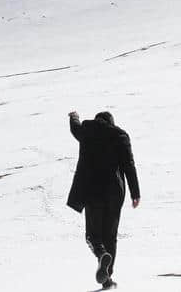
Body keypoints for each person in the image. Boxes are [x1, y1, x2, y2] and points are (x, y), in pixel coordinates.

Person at [67, 110, 140, 289]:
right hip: (115, 192)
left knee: (93, 235)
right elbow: (129, 166)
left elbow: (74, 128)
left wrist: (73, 116)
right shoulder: (120, 135)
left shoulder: (87, 130)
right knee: (110, 236)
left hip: (93, 191)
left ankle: (101, 256)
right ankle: (107, 278)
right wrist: (135, 193)